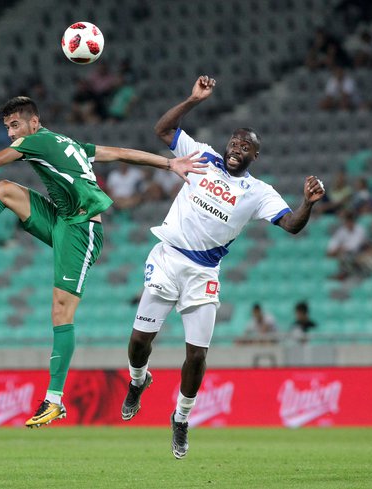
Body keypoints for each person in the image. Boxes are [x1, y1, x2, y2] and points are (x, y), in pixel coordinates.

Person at [0, 96, 206, 429]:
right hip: (61, 219)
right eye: (7, 127)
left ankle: (54, 401)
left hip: (82, 230)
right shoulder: (67, 143)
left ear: (34, 122)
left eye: (15, 125)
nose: (10, 133)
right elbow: (118, 152)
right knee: (5, 190)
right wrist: (168, 164)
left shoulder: (36, 141)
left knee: (60, 310)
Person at [120, 76, 325, 459]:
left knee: (196, 355)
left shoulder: (259, 192)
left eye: (245, 147)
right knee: (138, 343)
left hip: (203, 274)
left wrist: (308, 203)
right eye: (234, 141)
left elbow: (291, 225)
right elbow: (162, 129)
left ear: (255, 157)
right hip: (168, 259)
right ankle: (137, 381)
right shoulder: (202, 155)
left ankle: (180, 418)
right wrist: (193, 99)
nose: (236, 149)